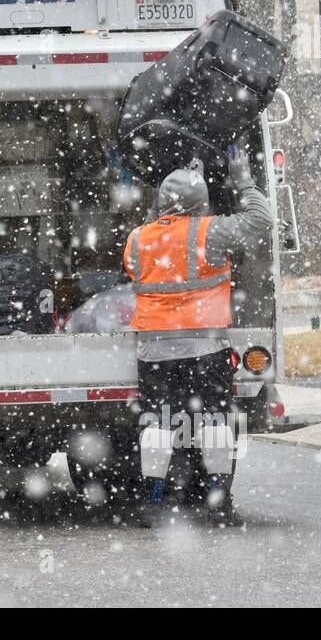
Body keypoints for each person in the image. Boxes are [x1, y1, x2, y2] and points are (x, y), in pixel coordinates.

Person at [122, 148, 272, 528]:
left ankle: (154, 502)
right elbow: (260, 220)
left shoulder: (137, 239)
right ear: (202, 204)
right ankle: (218, 502)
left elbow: (146, 253)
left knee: (157, 424)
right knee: (216, 424)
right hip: (206, 348)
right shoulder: (212, 231)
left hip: (155, 349)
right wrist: (243, 179)